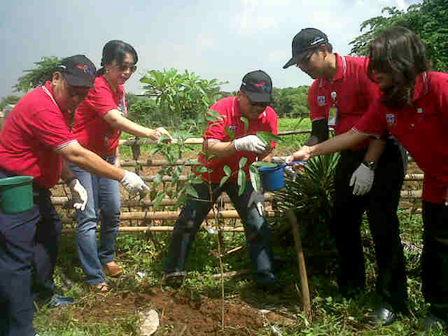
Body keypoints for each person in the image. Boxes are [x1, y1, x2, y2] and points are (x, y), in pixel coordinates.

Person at [288, 26, 448, 331]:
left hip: (390, 156)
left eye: (304, 60)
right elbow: (356, 132)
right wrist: (307, 153)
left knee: (387, 224)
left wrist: (371, 164)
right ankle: (362, 288)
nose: (374, 74)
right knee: (350, 221)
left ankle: (410, 302)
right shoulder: (380, 98)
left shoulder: (434, 87)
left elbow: (381, 134)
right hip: (418, 173)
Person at [0, 55, 148, 336]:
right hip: (15, 183)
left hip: (37, 186)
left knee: (49, 235)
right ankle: (17, 328)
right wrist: (123, 175)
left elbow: (56, 149)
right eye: (73, 91)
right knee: (16, 255)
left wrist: (70, 180)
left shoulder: (63, 105)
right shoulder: (41, 106)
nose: (77, 98)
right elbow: (75, 152)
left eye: (84, 93)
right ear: (56, 78)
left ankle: (43, 295)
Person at [70, 40, 172, 292]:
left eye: (132, 68)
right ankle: (94, 276)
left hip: (105, 158)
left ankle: (106, 256)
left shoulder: (119, 90)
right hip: (83, 157)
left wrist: (115, 155)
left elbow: (113, 126)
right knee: (88, 216)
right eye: (122, 66)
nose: (127, 72)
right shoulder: (97, 87)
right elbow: (113, 117)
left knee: (113, 210)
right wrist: (150, 133)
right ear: (107, 65)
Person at [164, 70, 278, 288]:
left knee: (257, 222)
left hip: (243, 176)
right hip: (209, 173)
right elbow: (209, 147)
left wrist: (262, 178)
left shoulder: (269, 116)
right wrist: (238, 144)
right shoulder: (222, 109)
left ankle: (265, 276)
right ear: (240, 94)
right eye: (253, 103)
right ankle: (173, 272)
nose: (258, 109)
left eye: (263, 104)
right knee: (188, 221)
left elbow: (267, 152)